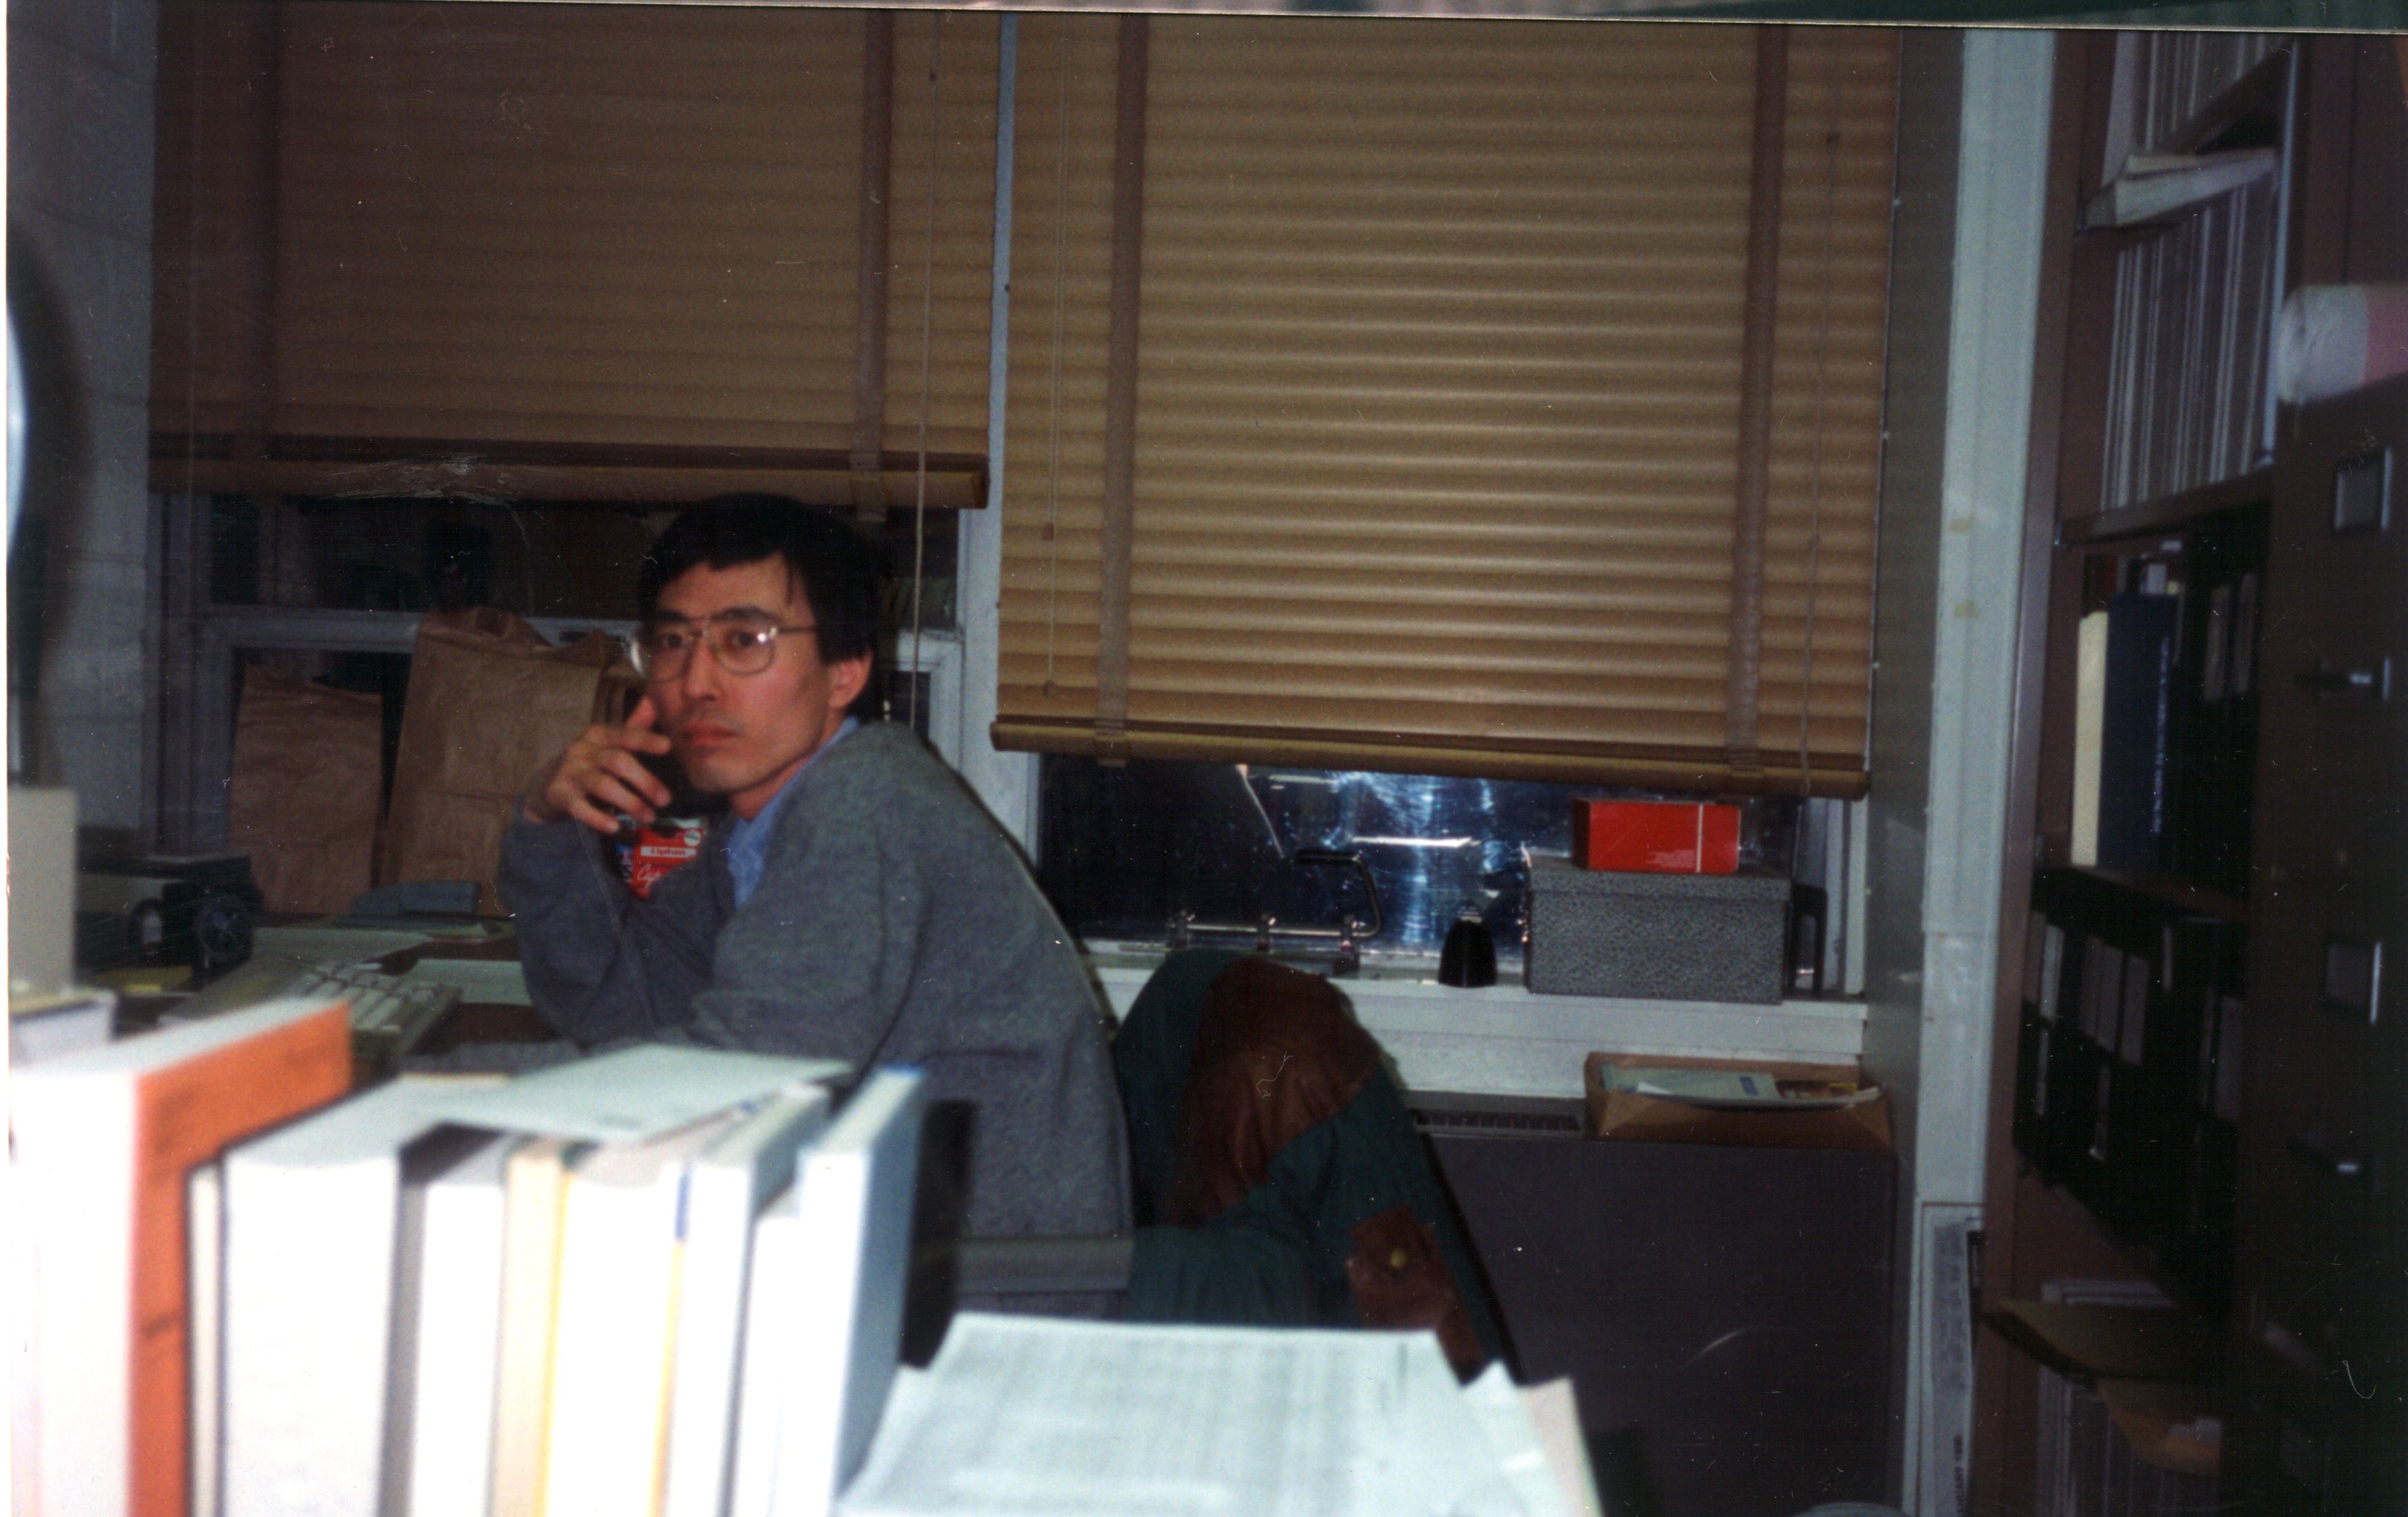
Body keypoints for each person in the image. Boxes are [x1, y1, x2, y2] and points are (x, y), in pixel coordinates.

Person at [498, 494, 1129, 1239]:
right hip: (883, 1229)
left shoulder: (865, 804)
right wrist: (548, 824)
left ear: (845, 672)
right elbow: (614, 1004)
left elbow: (744, 1079)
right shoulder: (753, 835)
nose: (695, 681)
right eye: (671, 641)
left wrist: (456, 1087)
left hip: (975, 1272)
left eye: (744, 639)